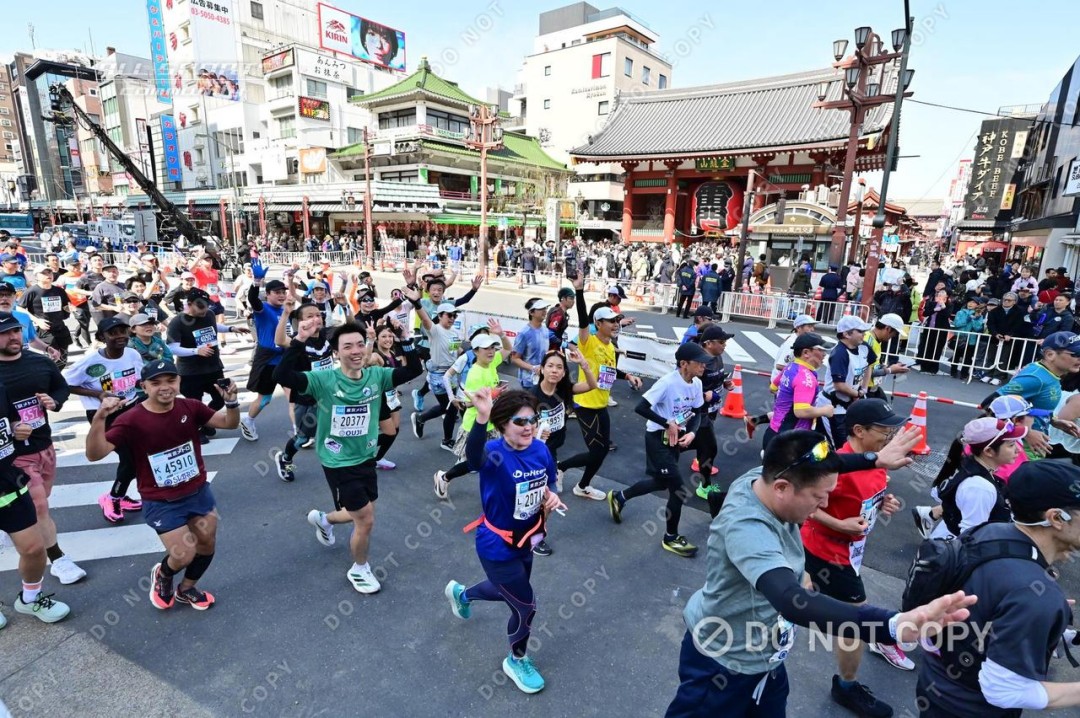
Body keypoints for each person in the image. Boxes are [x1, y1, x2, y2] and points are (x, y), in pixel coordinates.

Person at [667, 429, 977, 717]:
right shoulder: (747, 528)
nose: (825, 503)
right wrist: (893, 626)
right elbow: (791, 600)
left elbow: (827, 463)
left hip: (767, 661)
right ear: (782, 488)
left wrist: (875, 458)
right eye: (818, 497)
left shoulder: (766, 477)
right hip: (724, 666)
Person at [916, 460, 1080, 716]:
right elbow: (1004, 691)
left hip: (936, 684)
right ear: (1056, 518)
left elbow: (982, 609)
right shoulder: (1035, 595)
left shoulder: (992, 531)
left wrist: (1045, 627)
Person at [274, 313, 422, 595]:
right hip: (337, 460)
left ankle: (323, 519)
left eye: (359, 345)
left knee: (361, 513)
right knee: (365, 519)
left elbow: (412, 370)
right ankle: (360, 568)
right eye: (347, 347)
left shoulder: (376, 377)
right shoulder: (324, 380)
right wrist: (300, 339)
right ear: (336, 352)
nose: (355, 351)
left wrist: (404, 339)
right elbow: (281, 376)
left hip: (366, 457)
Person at [86, 360, 240, 611]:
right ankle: (164, 575)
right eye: (156, 383)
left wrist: (231, 401)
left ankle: (187, 588)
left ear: (179, 382)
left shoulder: (190, 406)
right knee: (183, 554)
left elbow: (229, 423)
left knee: (207, 544)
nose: (165, 387)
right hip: (161, 500)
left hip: (198, 491)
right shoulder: (131, 419)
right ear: (143, 386)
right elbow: (95, 454)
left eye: (170, 380)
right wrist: (100, 418)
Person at [443, 387, 565, 695]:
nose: (529, 427)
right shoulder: (495, 453)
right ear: (502, 425)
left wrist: (551, 495)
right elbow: (471, 460)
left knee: (508, 590)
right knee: (526, 606)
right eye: (520, 422)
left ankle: (463, 595)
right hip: (496, 545)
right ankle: (516, 659)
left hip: (528, 537)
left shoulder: (540, 449)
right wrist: (481, 417)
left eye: (533, 420)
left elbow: (549, 480)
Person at [800, 399, 910, 718]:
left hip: (851, 552)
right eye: (885, 431)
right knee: (855, 623)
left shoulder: (876, 463)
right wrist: (839, 524)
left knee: (810, 598)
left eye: (893, 429)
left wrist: (883, 502)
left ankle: (791, 600)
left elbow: (868, 496)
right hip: (828, 551)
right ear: (859, 431)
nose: (891, 436)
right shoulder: (837, 467)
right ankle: (846, 688)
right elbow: (806, 505)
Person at [607, 341, 707, 557]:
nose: (703, 366)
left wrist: (691, 433)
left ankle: (619, 497)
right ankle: (670, 538)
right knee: (678, 489)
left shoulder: (696, 383)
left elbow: (698, 411)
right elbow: (640, 407)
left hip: (675, 438)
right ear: (684, 364)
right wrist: (667, 423)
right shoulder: (667, 383)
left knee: (662, 482)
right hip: (656, 438)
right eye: (699, 363)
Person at [557, 276, 642, 500]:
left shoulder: (609, 346)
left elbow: (608, 372)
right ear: (599, 324)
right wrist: (580, 291)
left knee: (602, 450)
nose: (615, 324)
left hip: (601, 404)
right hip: (585, 404)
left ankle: (579, 484)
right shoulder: (589, 341)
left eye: (617, 320)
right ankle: (564, 470)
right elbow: (584, 321)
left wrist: (628, 376)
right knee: (597, 451)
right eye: (611, 321)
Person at [0, 373, 71, 627]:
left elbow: (11, 418)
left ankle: (30, 598)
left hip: (8, 483)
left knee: (33, 549)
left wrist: (17, 428)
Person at [62, 317, 145, 524]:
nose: (120, 337)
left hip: (131, 409)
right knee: (130, 459)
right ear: (101, 337)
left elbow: (137, 379)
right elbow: (64, 383)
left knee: (137, 457)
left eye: (123, 331)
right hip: (105, 416)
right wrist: (98, 394)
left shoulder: (133, 354)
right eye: (113, 333)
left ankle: (120, 494)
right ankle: (112, 498)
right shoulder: (90, 361)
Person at [527, 347, 597, 556]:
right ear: (542, 369)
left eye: (559, 367)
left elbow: (593, 385)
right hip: (531, 454)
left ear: (564, 372)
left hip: (552, 452)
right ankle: (529, 535)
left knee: (549, 497)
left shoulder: (565, 390)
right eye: (550, 366)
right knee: (534, 497)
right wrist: (537, 435)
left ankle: (536, 535)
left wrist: (583, 364)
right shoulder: (531, 396)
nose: (554, 371)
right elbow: (520, 427)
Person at [433, 325, 512, 500]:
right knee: (472, 463)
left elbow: (508, 349)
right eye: (486, 348)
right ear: (476, 351)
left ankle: (497, 493)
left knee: (496, 459)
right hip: (475, 426)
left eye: (493, 347)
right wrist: (495, 393)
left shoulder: (492, 363)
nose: (491, 352)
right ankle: (444, 477)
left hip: (492, 423)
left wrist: (501, 334)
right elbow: (470, 403)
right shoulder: (475, 373)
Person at [166, 289, 250, 443]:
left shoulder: (209, 314)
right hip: (191, 372)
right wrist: (196, 351)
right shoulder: (178, 322)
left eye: (206, 306)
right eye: (200, 307)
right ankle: (196, 430)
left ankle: (204, 421)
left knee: (220, 399)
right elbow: (172, 347)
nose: (204, 310)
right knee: (194, 403)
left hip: (213, 367)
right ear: (189, 304)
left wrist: (231, 329)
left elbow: (214, 326)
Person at [928, 417, 1027, 540]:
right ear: (989, 451)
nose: (1018, 449)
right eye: (1011, 445)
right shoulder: (980, 487)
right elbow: (971, 537)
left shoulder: (970, 464)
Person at [272, 298, 332, 482]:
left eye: (318, 315)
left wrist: (346, 306)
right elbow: (280, 340)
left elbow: (352, 328)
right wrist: (286, 313)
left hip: (329, 395)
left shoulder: (327, 335)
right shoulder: (299, 341)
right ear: (300, 322)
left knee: (335, 429)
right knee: (302, 438)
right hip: (306, 398)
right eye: (310, 316)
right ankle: (285, 458)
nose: (316, 318)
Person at [996, 331, 1080, 460]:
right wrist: (1027, 432)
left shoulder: (1051, 375)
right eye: (1076, 354)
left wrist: (1054, 420)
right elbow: (993, 405)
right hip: (1015, 447)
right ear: (1050, 355)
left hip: (1033, 445)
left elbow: (1031, 405)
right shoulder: (1036, 377)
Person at [239, 263, 289, 442]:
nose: (281, 295)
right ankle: (248, 420)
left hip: (285, 360)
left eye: (283, 292)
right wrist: (256, 282)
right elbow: (253, 299)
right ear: (268, 295)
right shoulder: (263, 309)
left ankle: (300, 431)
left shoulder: (285, 310)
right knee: (265, 399)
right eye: (277, 292)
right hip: (268, 361)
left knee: (294, 396)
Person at [692, 325, 735, 514]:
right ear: (708, 344)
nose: (725, 345)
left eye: (725, 342)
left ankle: (696, 461)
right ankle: (704, 486)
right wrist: (706, 395)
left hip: (711, 410)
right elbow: (689, 387)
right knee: (710, 448)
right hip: (698, 413)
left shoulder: (717, 357)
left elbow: (716, 378)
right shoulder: (699, 362)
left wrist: (725, 382)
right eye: (722, 342)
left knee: (703, 447)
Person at [824, 316, 876, 445]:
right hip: (834, 406)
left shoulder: (864, 347)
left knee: (855, 440)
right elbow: (839, 386)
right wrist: (857, 394)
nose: (864, 334)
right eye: (860, 331)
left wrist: (863, 388)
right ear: (846, 334)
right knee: (839, 444)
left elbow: (869, 365)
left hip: (852, 402)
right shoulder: (839, 354)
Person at [20, 268, 72, 367]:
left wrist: (69, 309)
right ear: (36, 276)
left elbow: (66, 306)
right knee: (54, 356)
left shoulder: (59, 290)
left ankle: (55, 379)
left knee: (63, 359)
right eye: (44, 273)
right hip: (45, 329)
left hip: (60, 327)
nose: (48, 275)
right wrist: (37, 320)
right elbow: (20, 307)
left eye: (50, 272)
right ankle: (51, 379)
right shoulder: (32, 291)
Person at [510, 298, 550, 390]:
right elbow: (514, 359)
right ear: (531, 312)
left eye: (545, 308)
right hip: (528, 382)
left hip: (543, 380)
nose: (544, 311)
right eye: (540, 308)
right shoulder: (524, 333)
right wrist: (533, 368)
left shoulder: (545, 330)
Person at [771, 315, 818, 391]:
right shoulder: (792, 343)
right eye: (809, 326)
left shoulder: (800, 340)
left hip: (789, 381)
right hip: (782, 384)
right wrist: (802, 372)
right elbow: (780, 366)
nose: (812, 329)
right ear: (798, 328)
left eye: (813, 326)